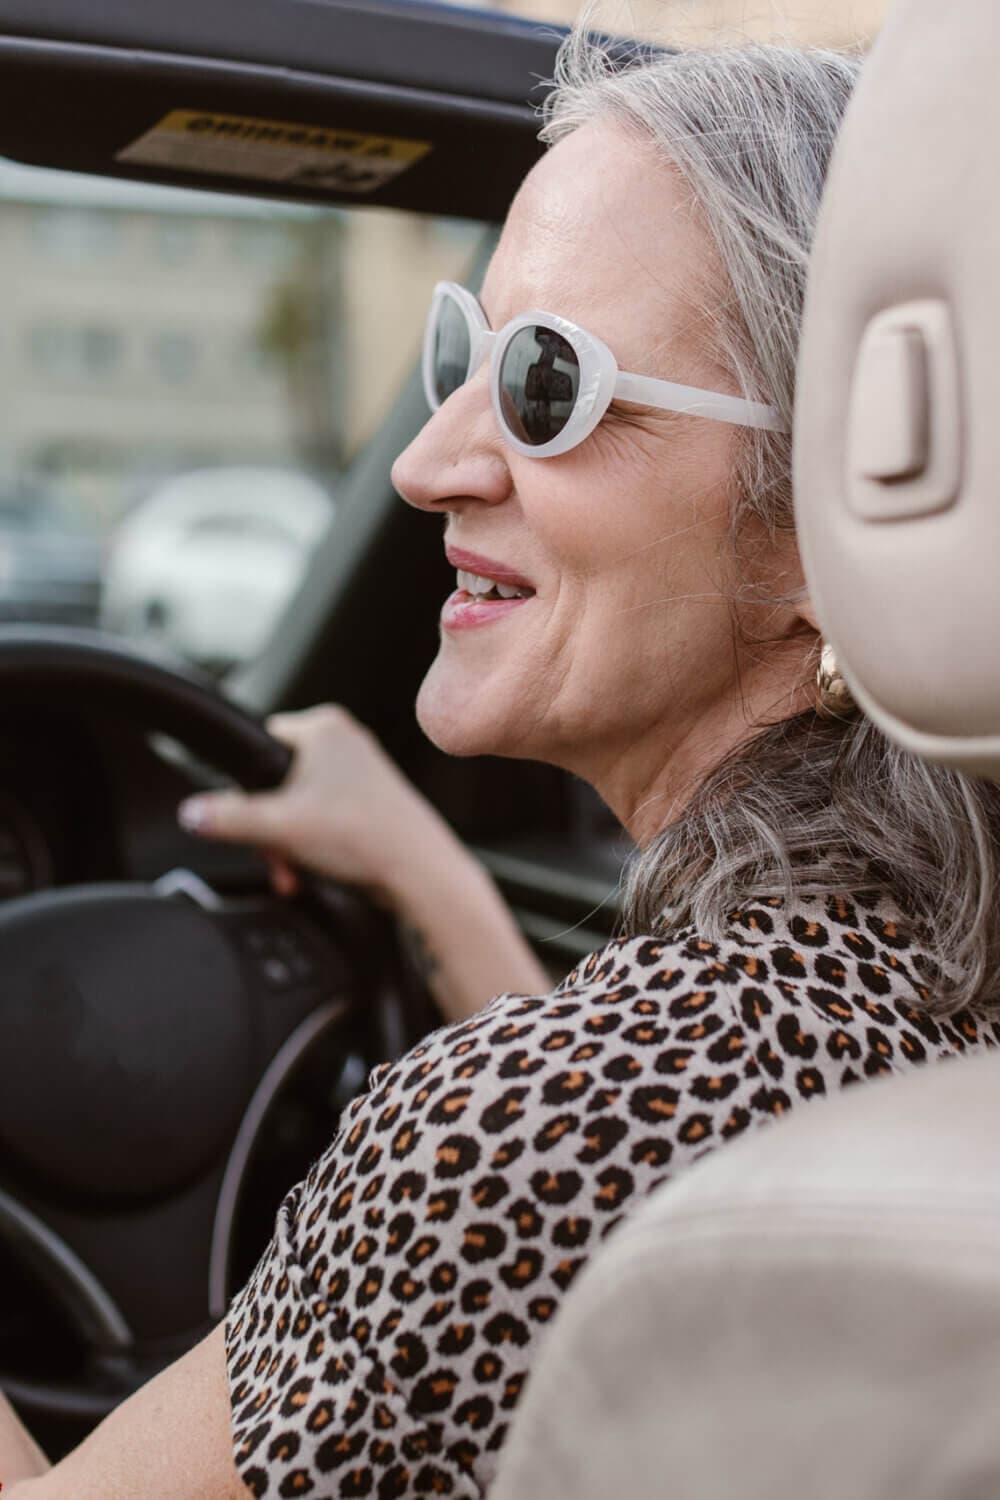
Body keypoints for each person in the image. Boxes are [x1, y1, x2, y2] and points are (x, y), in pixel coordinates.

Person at [6, 33, 1000, 1500]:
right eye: (464, 353)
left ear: (817, 527)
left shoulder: (502, 1142)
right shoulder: (886, 1022)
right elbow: (643, 1142)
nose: (427, 460)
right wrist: (424, 873)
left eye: (549, 384)